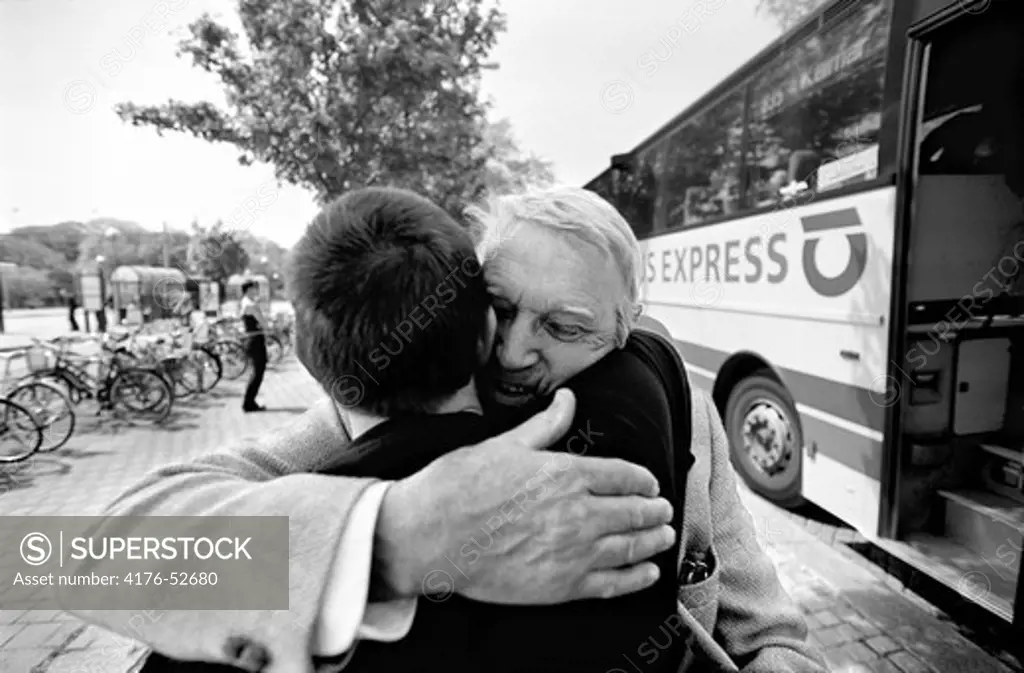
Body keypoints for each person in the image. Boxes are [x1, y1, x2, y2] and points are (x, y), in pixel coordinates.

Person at [69, 188, 825, 672]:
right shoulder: (363, 417)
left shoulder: (684, 412)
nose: (516, 349)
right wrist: (396, 535)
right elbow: (86, 561)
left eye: (563, 326)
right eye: (500, 307)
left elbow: (768, 623)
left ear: (624, 330)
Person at [238, 280, 267, 412]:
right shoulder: (250, 305)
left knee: (256, 371)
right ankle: (249, 403)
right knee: (257, 372)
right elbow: (264, 323)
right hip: (255, 340)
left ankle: (250, 401)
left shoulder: (246, 302)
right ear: (248, 290)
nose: (257, 290)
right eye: (255, 288)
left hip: (252, 339)